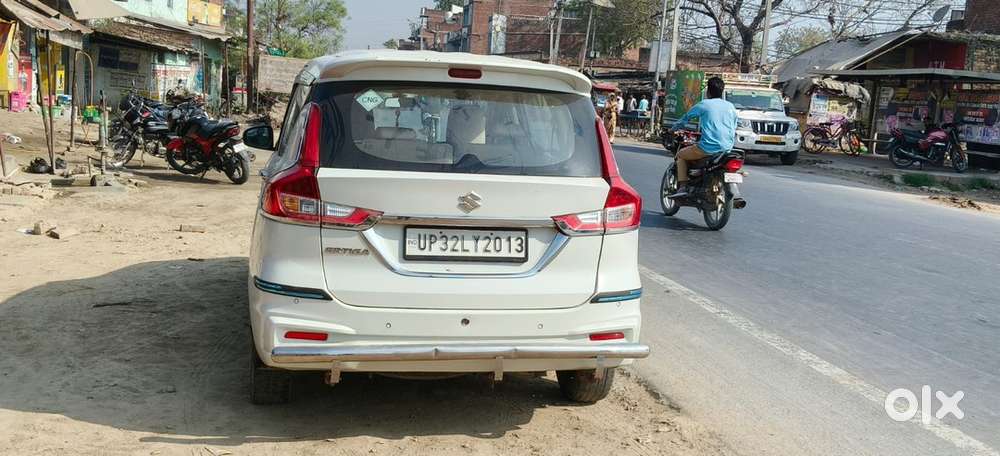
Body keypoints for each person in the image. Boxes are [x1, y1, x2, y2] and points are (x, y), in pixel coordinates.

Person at [668, 76, 738, 198]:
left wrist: (672, 129)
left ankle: (683, 187)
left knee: (680, 155)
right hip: (727, 148)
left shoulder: (704, 104)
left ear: (708, 92)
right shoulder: (731, 106)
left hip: (707, 148)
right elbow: (734, 126)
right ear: (722, 91)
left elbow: (685, 119)